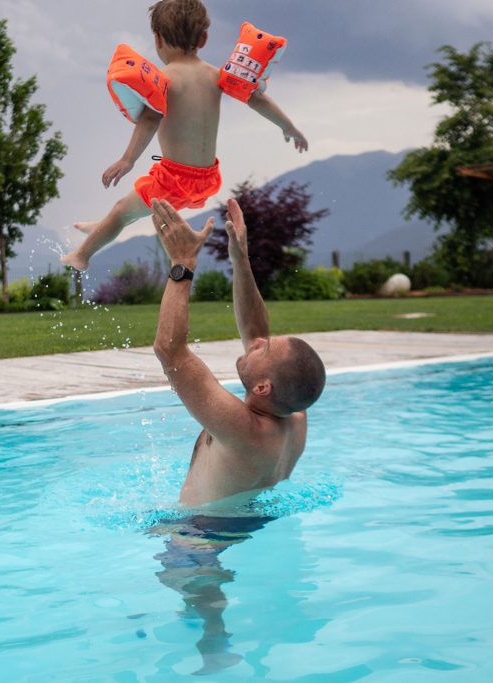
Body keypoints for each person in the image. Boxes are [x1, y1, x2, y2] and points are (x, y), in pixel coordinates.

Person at [60, 0, 308, 272]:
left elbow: (150, 119)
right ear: (204, 38)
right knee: (131, 209)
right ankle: (102, 227)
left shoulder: (164, 79)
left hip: (173, 179)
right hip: (207, 179)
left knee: (121, 210)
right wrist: (288, 127)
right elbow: (257, 98)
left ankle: (81, 256)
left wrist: (127, 160)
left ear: (157, 39)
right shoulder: (216, 77)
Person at [151, 197, 325, 507]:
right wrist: (240, 260)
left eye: (265, 349)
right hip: (252, 519)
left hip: (201, 540)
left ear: (262, 387)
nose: (258, 341)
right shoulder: (294, 412)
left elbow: (169, 351)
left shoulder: (243, 429)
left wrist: (183, 262)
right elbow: (257, 331)